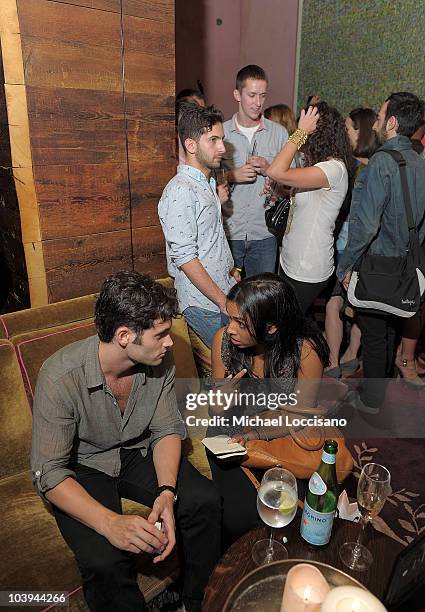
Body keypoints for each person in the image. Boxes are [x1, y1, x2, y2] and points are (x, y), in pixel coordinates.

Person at [31, 271, 221, 612]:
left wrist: (166, 491)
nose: (169, 341)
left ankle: (198, 601)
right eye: (160, 334)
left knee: (203, 501)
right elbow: (50, 473)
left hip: (138, 450)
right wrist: (110, 524)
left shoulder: (159, 361)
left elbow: (165, 430)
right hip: (84, 465)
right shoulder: (59, 376)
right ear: (124, 336)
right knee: (105, 560)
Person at [207, 273, 329, 548]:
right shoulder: (222, 342)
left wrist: (256, 433)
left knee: (298, 516)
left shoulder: (305, 351)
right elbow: (216, 414)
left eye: (240, 323)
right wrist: (219, 399)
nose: (230, 330)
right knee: (239, 519)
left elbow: (300, 415)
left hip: (281, 433)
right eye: (230, 319)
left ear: (271, 327)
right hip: (230, 435)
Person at [338, 92, 425, 413]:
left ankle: (372, 402)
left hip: (376, 263)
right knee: (390, 329)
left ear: (391, 123)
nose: (375, 122)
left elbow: (366, 225)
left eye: (380, 116)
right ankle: (381, 391)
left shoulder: (382, 162)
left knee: (374, 334)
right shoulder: (421, 161)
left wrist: (346, 266)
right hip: (406, 265)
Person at [158, 103, 239, 348]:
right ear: (191, 145)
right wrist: (222, 301)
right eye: (213, 140)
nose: (222, 148)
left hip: (220, 293)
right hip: (204, 304)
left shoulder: (207, 181)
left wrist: (230, 270)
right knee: (228, 370)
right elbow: (185, 258)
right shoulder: (180, 190)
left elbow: (211, 237)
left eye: (222, 139)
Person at [267, 102, 353, 314]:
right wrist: (280, 189)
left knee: (285, 327)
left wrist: (300, 133)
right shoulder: (318, 167)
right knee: (289, 326)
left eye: (306, 127)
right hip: (291, 260)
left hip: (307, 267)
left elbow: (276, 171)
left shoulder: (333, 169)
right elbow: (303, 197)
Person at [324, 108, 377, 377]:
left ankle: (334, 363)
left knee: (335, 303)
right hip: (367, 249)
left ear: (361, 131)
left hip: (346, 247)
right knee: (358, 306)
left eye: (348, 128)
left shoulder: (352, 169)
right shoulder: (377, 167)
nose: (345, 133)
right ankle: (350, 354)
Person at [222, 65, 289, 276]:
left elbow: (291, 184)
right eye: (251, 95)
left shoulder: (278, 133)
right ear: (237, 94)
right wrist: (232, 176)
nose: (258, 103)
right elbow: (201, 181)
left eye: (262, 95)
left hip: (265, 234)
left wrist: (270, 169)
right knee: (227, 301)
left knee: (262, 303)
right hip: (228, 232)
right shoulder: (220, 133)